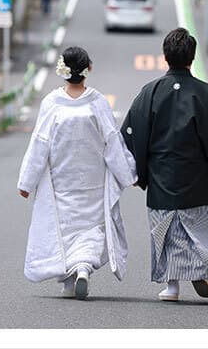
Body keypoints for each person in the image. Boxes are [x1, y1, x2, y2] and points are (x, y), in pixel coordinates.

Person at [121, 27, 208, 302]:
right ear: (193, 57)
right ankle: (198, 266)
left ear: (165, 57)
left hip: (161, 175)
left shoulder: (150, 92)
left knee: (163, 231)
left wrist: (137, 172)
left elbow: (131, 133)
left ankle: (172, 286)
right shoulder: (207, 94)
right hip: (198, 176)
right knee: (198, 228)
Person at [17, 46, 137, 300]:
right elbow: (112, 142)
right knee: (91, 227)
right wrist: (128, 174)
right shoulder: (97, 102)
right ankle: (83, 267)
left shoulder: (52, 103)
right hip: (93, 181)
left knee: (64, 229)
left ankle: (69, 281)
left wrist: (26, 182)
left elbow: (39, 144)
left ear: (62, 70)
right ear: (88, 69)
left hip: (62, 181)